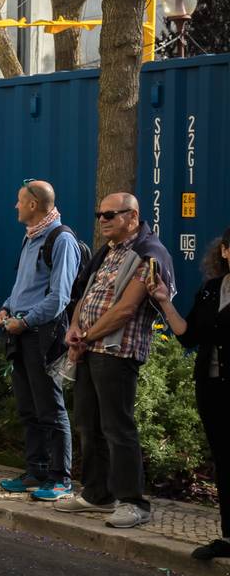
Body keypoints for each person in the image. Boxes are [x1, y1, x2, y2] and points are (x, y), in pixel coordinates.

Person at [56, 192, 176, 529]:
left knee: (117, 427)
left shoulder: (148, 254)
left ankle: (133, 501)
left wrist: (88, 335)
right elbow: (86, 294)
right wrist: (75, 327)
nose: (103, 220)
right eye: (100, 215)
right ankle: (97, 494)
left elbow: (125, 309)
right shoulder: (107, 252)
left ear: (133, 217)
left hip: (117, 352)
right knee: (88, 423)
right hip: (89, 350)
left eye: (111, 214)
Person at [0, 180, 82, 500]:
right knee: (28, 408)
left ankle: (60, 478)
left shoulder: (62, 240)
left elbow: (59, 297)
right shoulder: (31, 237)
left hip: (43, 335)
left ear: (33, 205)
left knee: (50, 409)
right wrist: (7, 308)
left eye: (19, 201)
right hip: (20, 332)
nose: (15, 206)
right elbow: (25, 286)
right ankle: (36, 471)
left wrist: (26, 321)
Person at [149, 225, 230, 559]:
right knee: (224, 460)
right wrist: (165, 303)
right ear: (224, 251)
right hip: (211, 387)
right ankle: (228, 538)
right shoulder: (212, 289)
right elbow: (188, 335)